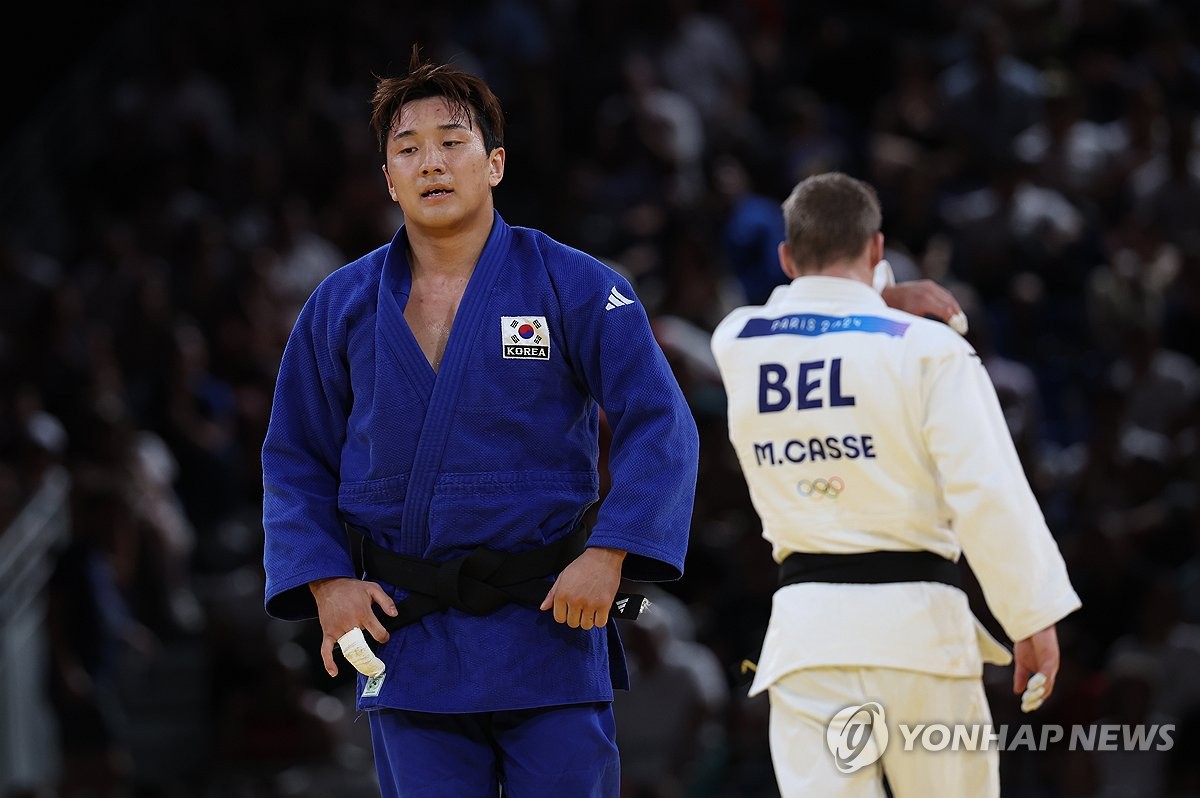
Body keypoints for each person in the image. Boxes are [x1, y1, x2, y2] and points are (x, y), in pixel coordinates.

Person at [259, 49, 701, 797]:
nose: (431, 162)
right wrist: (329, 581)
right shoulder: (339, 304)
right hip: (411, 635)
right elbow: (295, 454)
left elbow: (661, 423)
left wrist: (612, 553)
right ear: (388, 179)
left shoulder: (575, 283)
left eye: (452, 142)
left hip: (549, 623)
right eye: (408, 149)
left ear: (494, 164)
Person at [709, 171, 1082, 797]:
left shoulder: (739, 341)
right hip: (921, 636)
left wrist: (879, 297)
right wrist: (1031, 616)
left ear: (785, 258)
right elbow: (986, 489)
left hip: (809, 639)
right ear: (877, 249)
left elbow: (804, 311)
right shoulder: (928, 351)